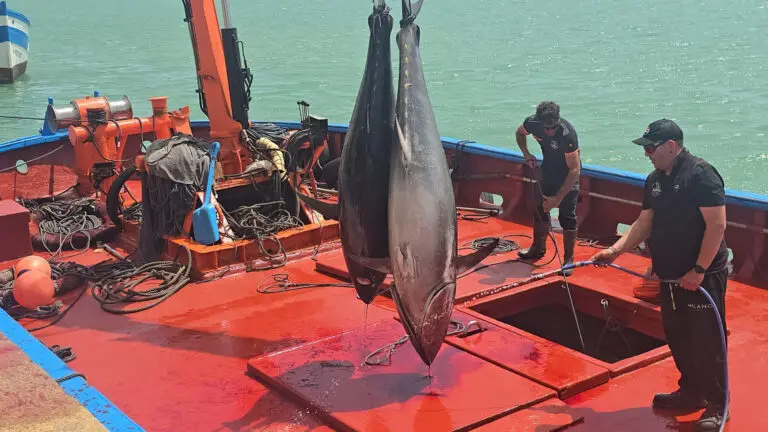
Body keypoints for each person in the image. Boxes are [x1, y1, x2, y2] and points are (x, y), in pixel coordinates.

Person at [590, 119, 729, 431]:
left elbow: (717, 225)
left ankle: (718, 404)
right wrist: (614, 251)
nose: (647, 153)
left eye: (651, 147)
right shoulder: (654, 180)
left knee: (707, 340)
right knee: (678, 335)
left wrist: (699, 270)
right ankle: (691, 391)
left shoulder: (701, 174)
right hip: (668, 276)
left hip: (701, 277)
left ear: (671, 145)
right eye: (645, 148)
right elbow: (644, 222)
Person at [515, 101, 581, 275]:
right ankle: (537, 248)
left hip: (567, 175)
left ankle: (568, 259)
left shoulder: (567, 134)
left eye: (553, 127)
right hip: (548, 170)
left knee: (567, 216)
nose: (550, 131)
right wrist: (526, 153)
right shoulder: (532, 123)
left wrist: (557, 200)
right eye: (547, 128)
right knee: (539, 209)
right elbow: (520, 133)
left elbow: (574, 170)